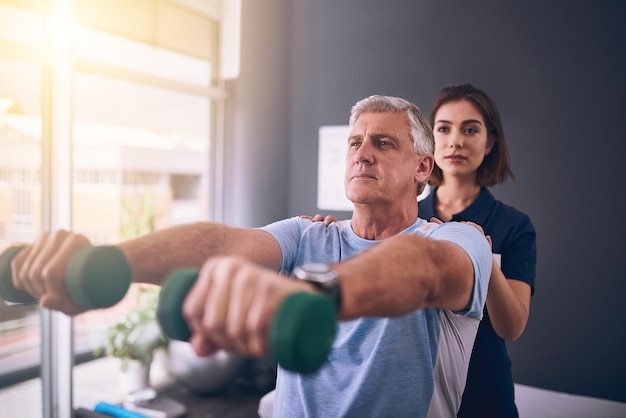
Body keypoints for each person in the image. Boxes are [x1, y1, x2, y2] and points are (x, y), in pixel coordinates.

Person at [10, 95, 492, 418]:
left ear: (423, 168)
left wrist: (312, 294)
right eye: (354, 142)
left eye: (383, 143)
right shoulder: (307, 235)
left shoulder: (459, 239)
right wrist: (101, 263)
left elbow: (423, 271)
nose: (362, 153)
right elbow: (219, 246)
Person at [420, 83, 537, 418]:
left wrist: (480, 254)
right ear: (431, 140)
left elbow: (511, 327)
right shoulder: (405, 218)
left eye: (470, 129)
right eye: (444, 129)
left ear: (490, 143)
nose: (455, 140)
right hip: (416, 392)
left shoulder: (514, 226)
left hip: (485, 398)